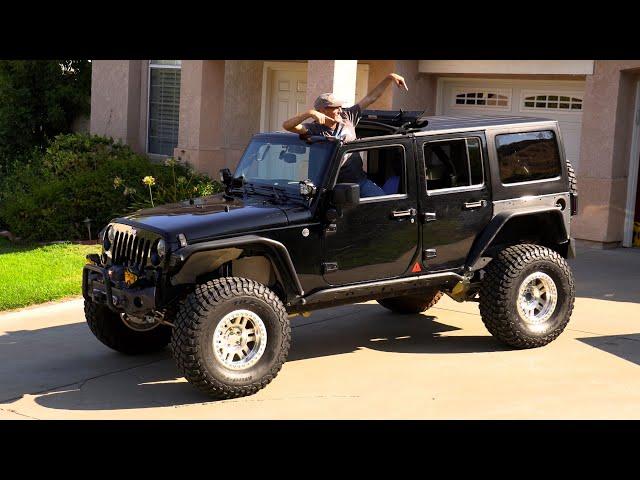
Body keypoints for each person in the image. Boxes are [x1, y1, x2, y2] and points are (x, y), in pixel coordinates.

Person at [282, 73, 408, 197]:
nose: (340, 110)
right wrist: (308, 113)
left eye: (341, 107)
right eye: (336, 107)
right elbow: (288, 126)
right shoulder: (313, 129)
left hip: (359, 182)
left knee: (383, 203)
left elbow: (371, 98)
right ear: (322, 110)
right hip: (330, 188)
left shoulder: (348, 117)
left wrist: (389, 78)